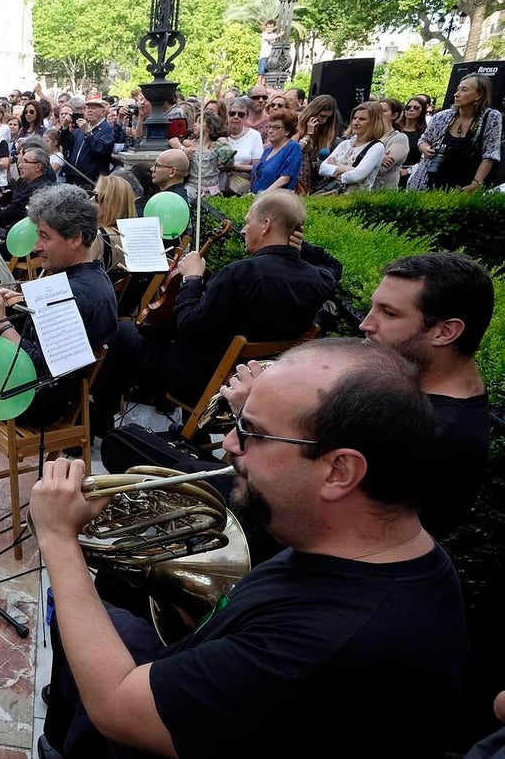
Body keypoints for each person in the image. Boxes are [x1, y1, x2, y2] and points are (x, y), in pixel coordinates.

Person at [38, 337, 468, 759]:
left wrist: (59, 538)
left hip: (143, 717)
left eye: (253, 433)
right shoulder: (371, 547)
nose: (229, 444)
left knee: (77, 618)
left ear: (340, 470)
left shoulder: (333, 641)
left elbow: (118, 709)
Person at [94, 190, 339, 422]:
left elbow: (189, 329)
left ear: (265, 226)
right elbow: (334, 266)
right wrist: (298, 244)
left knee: (123, 333)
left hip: (205, 383)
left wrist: (192, 278)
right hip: (256, 381)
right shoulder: (318, 279)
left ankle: (102, 417)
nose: (243, 230)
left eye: (248, 222)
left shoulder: (240, 274)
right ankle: (188, 429)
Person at [358, 252, 493, 538]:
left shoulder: (431, 433)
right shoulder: (419, 383)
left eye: (389, 313)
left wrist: (260, 418)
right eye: (373, 307)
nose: (366, 324)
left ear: (445, 332)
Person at [0, 184, 118, 426]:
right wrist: (19, 303)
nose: (36, 246)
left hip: (33, 401)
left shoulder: (70, 293)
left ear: (76, 238)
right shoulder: (94, 278)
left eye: (45, 237)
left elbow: (36, 368)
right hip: (57, 396)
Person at [409, 73, 503, 192]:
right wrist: (426, 148)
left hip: (464, 187)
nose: (456, 94)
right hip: (430, 182)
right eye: (457, 89)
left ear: (479, 95)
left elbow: (490, 154)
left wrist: (475, 184)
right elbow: (423, 140)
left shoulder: (491, 117)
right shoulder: (441, 117)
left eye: (464, 90)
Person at [318, 101, 387, 192]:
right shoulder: (344, 144)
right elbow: (322, 169)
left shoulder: (377, 147)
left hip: (354, 198)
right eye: (354, 118)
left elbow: (357, 176)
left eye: (362, 119)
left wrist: (335, 169)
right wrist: (348, 169)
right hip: (332, 192)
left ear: (374, 123)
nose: (355, 122)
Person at [0, 146, 53, 230]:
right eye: (20, 162)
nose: (19, 166)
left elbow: (4, 215)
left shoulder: (38, 190)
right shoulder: (26, 183)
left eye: (25, 162)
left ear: (38, 167)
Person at [59, 98, 114, 189]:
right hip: (72, 179)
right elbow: (66, 145)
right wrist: (65, 128)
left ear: (103, 112)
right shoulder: (82, 127)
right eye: (87, 108)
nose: (89, 110)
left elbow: (99, 150)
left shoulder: (107, 130)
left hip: (91, 181)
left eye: (93, 108)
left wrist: (88, 133)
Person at [293, 94, 340, 194]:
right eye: (322, 116)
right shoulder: (297, 121)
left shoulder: (326, 129)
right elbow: (292, 150)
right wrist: (308, 134)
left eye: (328, 117)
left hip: (313, 175)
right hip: (295, 170)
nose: (324, 120)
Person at [251, 108, 302, 192]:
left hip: (278, 200)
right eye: (270, 127)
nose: (270, 131)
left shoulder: (293, 147)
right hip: (257, 198)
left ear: (287, 131)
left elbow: (286, 177)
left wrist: (263, 194)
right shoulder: (267, 151)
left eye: (276, 127)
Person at [219, 97, 262, 195]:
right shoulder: (219, 134)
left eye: (241, 114)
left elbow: (257, 166)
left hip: (242, 186)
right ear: (227, 115)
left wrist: (235, 167)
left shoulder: (254, 135)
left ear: (246, 117)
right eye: (232, 113)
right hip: (218, 185)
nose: (236, 117)